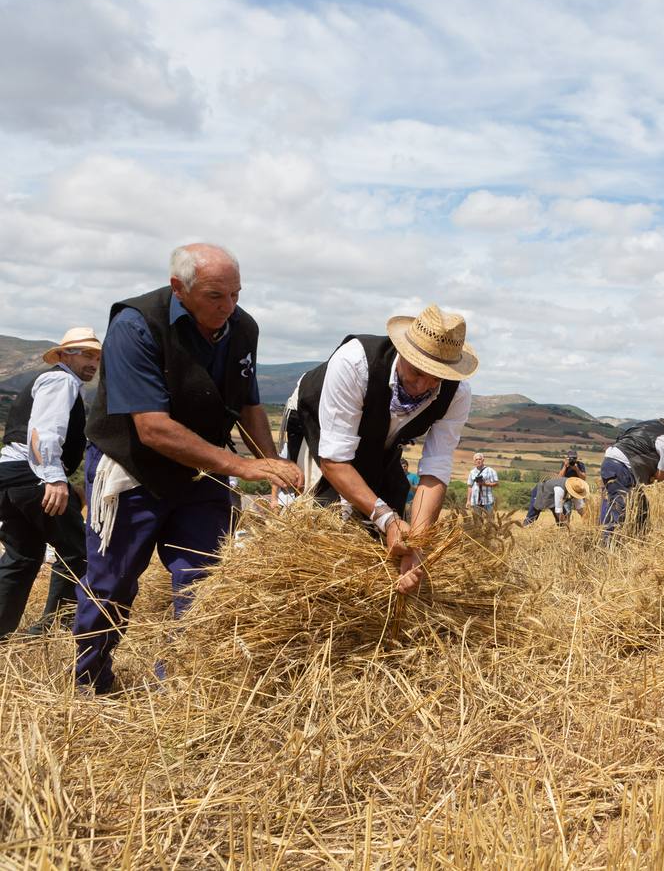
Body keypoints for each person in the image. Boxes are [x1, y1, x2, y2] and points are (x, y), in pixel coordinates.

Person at [73, 244, 304, 694]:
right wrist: (243, 465)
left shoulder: (242, 328)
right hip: (132, 469)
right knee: (112, 583)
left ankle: (179, 685)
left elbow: (249, 403)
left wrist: (271, 464)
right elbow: (153, 429)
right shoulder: (135, 325)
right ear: (180, 288)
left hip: (202, 473)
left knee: (203, 579)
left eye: (236, 294)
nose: (229, 307)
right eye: (216, 296)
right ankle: (90, 682)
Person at [287, 305, 475, 594]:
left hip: (381, 440)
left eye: (435, 377)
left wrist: (416, 545)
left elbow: (435, 469)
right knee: (320, 514)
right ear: (402, 352)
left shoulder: (456, 394)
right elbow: (334, 459)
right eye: (416, 371)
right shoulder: (355, 363)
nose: (422, 386)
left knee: (387, 515)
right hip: (316, 422)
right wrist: (387, 519)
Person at [0, 328, 101, 638]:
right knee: (80, 552)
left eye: (96, 356)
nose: (93, 362)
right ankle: (51, 629)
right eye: (86, 354)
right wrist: (55, 480)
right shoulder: (61, 381)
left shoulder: (58, 381)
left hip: (10, 475)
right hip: (34, 477)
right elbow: (43, 433)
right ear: (65, 355)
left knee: (23, 556)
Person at [599, 416, 664, 541]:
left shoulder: (645, 425)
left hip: (610, 463)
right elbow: (662, 475)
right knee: (618, 509)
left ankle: (639, 540)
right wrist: (652, 477)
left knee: (641, 506)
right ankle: (607, 547)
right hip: (623, 468)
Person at [523, 475, 589, 526]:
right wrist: (566, 525)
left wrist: (586, 521)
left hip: (553, 496)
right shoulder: (560, 489)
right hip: (541, 492)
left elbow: (580, 508)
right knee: (533, 514)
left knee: (564, 515)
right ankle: (524, 529)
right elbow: (558, 511)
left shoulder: (577, 488)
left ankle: (563, 534)